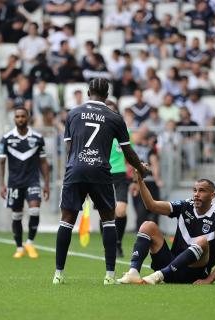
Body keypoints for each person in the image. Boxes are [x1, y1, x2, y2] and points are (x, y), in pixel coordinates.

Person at [54, 78, 148, 285]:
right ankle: (109, 275)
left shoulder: (73, 113)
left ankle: (58, 274)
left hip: (75, 170)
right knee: (108, 221)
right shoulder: (114, 117)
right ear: (107, 95)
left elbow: (69, 150)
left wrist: (75, 171)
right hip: (101, 172)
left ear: (88, 92)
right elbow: (128, 151)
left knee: (66, 221)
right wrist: (141, 168)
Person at [118, 177, 215, 285]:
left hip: (194, 274)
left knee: (202, 241)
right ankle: (133, 272)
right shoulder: (185, 206)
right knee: (148, 226)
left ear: (212, 195)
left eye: (202, 191)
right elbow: (151, 205)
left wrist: (209, 280)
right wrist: (140, 181)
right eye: (195, 190)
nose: (196, 194)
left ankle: (158, 276)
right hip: (171, 266)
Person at [0, 108, 50, 258]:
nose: (20, 119)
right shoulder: (6, 138)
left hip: (32, 181)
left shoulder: (38, 138)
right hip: (14, 183)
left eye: (22, 116)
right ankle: (19, 248)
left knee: (34, 210)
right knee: (16, 215)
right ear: (14, 119)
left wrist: (46, 184)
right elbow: (1, 162)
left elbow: (44, 162)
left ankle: (30, 242)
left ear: (28, 117)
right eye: (17, 116)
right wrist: (2, 185)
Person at [106, 100, 136, 257]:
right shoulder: (98, 134)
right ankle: (109, 245)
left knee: (121, 210)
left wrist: (136, 180)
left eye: (113, 112)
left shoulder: (124, 133)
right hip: (102, 175)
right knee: (107, 212)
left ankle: (118, 243)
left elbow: (131, 156)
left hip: (120, 175)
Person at [132, 130, 164, 229]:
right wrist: (157, 179)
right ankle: (153, 229)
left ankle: (140, 229)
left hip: (137, 181)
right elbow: (155, 165)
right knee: (155, 206)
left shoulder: (134, 149)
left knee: (139, 207)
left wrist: (133, 181)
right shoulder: (150, 151)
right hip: (150, 181)